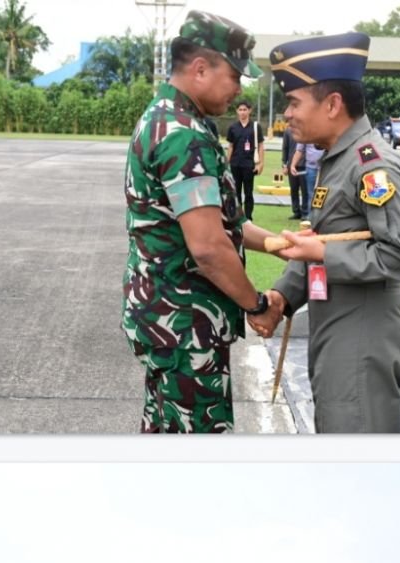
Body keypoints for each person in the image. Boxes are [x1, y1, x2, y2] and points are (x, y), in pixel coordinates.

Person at [248, 33, 400, 434]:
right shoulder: (338, 161)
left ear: (332, 104)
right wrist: (283, 295)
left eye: (295, 102)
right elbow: (323, 240)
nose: (288, 114)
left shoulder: (372, 166)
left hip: (361, 337)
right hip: (337, 327)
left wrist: (322, 253)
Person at [122, 9, 281, 434]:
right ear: (200, 68)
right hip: (185, 325)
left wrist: (276, 243)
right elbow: (209, 248)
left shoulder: (170, 118)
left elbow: (221, 221)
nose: (238, 89)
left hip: (167, 319)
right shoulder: (183, 134)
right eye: (234, 76)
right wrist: (257, 304)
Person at [226, 99, 264, 220]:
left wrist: (261, 164)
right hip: (235, 164)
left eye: (245, 109)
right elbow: (231, 146)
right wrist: (227, 163)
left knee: (248, 192)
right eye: (240, 110)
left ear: (249, 111)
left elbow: (261, 146)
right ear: (237, 111)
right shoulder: (232, 128)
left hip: (249, 165)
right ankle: (238, 216)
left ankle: (248, 216)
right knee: (235, 192)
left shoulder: (255, 127)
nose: (242, 112)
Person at [282, 126, 308, 219]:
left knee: (305, 190)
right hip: (291, 165)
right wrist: (284, 164)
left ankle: (305, 212)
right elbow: (285, 147)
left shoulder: (307, 129)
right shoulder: (288, 131)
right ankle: (296, 211)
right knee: (294, 189)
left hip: (305, 164)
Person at [291, 141, 323, 209]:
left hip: (326, 167)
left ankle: (319, 216)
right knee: (311, 194)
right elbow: (299, 150)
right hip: (311, 167)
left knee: (322, 194)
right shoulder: (306, 133)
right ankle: (311, 217)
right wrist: (293, 165)